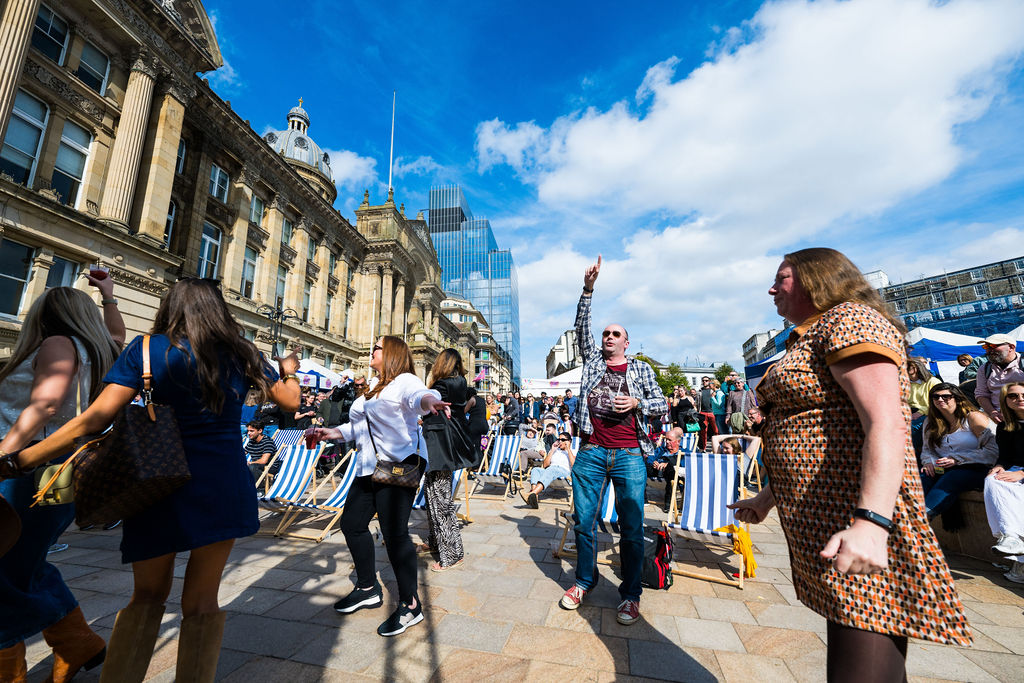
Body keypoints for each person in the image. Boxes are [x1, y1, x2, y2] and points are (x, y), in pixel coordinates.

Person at [2, 278, 301, 682]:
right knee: (202, 602)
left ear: (169, 307)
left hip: (158, 481)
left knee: (146, 597)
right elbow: (291, 402)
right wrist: (289, 371)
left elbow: (92, 421)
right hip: (223, 484)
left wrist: (20, 460)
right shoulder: (241, 353)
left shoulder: (146, 348)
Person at [729, 248, 970, 681]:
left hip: (854, 515)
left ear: (815, 280)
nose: (771, 288)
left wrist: (872, 523)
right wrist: (769, 497)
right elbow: (815, 426)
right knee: (854, 633)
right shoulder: (817, 331)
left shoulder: (850, 320)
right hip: (832, 516)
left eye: (781, 278)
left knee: (864, 643)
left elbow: (887, 423)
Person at [0, 276, 124, 683]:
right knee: (26, 563)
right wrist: (108, 297)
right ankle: (77, 643)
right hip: (58, 474)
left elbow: (45, 403)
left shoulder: (56, 342)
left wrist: (5, 456)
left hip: (26, 469)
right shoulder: (101, 349)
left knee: (6, 571)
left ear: (45, 314)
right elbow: (118, 334)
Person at [312, 336, 449, 637]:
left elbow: (419, 397)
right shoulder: (373, 387)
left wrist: (431, 402)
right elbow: (359, 427)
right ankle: (367, 587)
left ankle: (411, 605)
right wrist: (329, 432)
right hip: (368, 466)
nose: (372, 349)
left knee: (395, 533)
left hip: (399, 464)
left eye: (377, 346)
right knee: (352, 524)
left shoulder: (405, 381)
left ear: (390, 354)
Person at [559, 255, 667, 627]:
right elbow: (581, 327)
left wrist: (637, 401)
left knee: (632, 526)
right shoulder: (592, 363)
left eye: (615, 334)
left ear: (626, 342)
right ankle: (584, 582)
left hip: (629, 454)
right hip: (591, 452)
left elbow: (660, 404)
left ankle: (630, 594)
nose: (608, 337)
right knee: (583, 521)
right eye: (605, 333)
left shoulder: (640, 368)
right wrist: (588, 290)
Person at [420, 349, 472, 572]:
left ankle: (452, 554)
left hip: (439, 445)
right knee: (434, 494)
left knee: (439, 498)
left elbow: (427, 409)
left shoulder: (442, 385)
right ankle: (435, 542)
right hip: (448, 444)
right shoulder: (461, 383)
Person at [919, 383, 997, 519]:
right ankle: (906, 518)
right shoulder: (930, 422)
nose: (940, 400)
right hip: (942, 468)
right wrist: (928, 462)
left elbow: (993, 451)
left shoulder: (973, 418)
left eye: (946, 396)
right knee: (923, 477)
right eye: (935, 397)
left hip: (978, 467)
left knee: (952, 477)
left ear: (957, 398)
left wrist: (957, 459)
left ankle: (921, 520)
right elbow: (927, 450)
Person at [988, 382, 1024, 582]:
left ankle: (1019, 560)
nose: (1020, 399)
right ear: (1006, 401)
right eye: (1013, 396)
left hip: (1022, 472)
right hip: (1015, 469)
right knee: (992, 481)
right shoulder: (1004, 426)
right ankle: (1009, 537)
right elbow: (1005, 456)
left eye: (1023, 394)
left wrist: (1022, 474)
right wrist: (999, 466)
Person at [974, 334, 1024, 424]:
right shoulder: (984, 369)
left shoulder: (1022, 364)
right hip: (1000, 419)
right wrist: (992, 412)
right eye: (986, 347)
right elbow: (981, 394)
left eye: (993, 346)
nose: (989, 350)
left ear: (1011, 347)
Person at [523, 432, 575, 508]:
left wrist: (568, 449)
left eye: (563, 440)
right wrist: (552, 450)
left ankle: (531, 494)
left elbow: (574, 465)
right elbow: (545, 465)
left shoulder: (573, 451)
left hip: (564, 473)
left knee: (552, 470)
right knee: (535, 470)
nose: (560, 441)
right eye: (559, 439)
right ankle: (534, 498)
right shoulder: (555, 450)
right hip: (551, 471)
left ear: (569, 441)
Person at [646, 427, 684, 513]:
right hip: (656, 472)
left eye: (669, 440)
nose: (667, 442)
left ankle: (668, 503)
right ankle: (643, 498)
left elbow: (683, 467)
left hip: (671, 475)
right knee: (643, 464)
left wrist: (668, 464)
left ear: (678, 441)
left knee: (672, 469)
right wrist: (653, 463)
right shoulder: (661, 450)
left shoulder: (684, 452)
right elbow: (650, 457)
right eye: (666, 439)